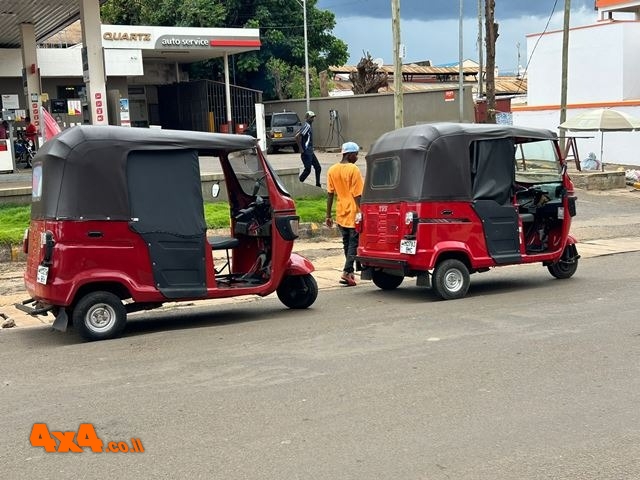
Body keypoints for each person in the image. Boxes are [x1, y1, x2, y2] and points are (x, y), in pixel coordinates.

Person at [325, 141, 364, 287]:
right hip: (354, 211)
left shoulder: (332, 170)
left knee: (347, 243)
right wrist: (364, 211)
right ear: (349, 154)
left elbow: (330, 194)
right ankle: (347, 271)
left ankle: (350, 272)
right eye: (356, 155)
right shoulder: (353, 169)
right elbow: (357, 194)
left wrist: (328, 215)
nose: (357, 158)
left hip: (341, 211)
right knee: (354, 243)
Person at [295, 111, 322, 187]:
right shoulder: (307, 126)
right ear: (306, 118)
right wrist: (301, 148)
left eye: (313, 117)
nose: (313, 119)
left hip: (310, 151)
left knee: (318, 167)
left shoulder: (308, 126)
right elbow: (297, 137)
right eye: (311, 117)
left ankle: (318, 184)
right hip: (306, 152)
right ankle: (299, 184)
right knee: (307, 170)